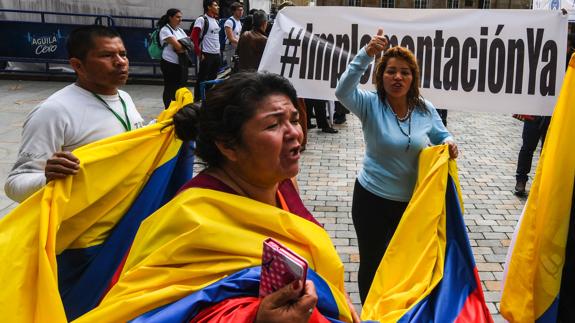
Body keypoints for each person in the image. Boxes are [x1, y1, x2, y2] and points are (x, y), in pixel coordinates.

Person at [75, 72, 360, 322]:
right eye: (273, 125)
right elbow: (158, 312)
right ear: (228, 146)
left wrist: (338, 299)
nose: (294, 134)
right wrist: (255, 319)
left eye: (295, 120)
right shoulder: (189, 216)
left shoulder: (280, 184)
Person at [335, 29, 458, 304]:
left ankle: (397, 311)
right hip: (371, 200)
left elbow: (442, 134)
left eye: (404, 72)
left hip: (411, 205)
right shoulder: (369, 104)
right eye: (390, 71)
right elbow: (343, 90)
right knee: (373, 263)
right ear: (381, 76)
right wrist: (367, 54)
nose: (397, 77)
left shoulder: (425, 108)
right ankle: (370, 314)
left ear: (413, 78)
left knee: (405, 265)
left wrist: (450, 143)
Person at [4, 25, 144, 203]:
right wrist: (46, 179)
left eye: (122, 54)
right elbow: (14, 185)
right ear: (77, 65)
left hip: (127, 218)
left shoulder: (124, 98)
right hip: (84, 227)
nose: (120, 62)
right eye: (106, 55)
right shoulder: (53, 112)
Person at [158, 8, 190, 108]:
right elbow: (179, 47)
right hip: (169, 63)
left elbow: (189, 45)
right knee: (170, 88)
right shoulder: (165, 30)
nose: (180, 19)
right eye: (177, 17)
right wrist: (183, 46)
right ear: (170, 17)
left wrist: (184, 47)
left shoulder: (180, 30)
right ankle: (168, 109)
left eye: (181, 17)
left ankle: (178, 107)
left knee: (180, 87)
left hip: (181, 63)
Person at [190, 0, 221, 101]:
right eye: (215, 5)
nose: (218, 7)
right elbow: (193, 37)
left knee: (212, 78)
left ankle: (207, 97)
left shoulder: (216, 20)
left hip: (216, 54)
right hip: (206, 54)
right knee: (202, 78)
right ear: (208, 7)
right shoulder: (201, 19)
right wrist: (199, 52)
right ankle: (198, 99)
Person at [222, 2, 243, 69]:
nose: (241, 12)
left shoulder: (239, 21)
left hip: (237, 47)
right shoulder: (229, 22)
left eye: (242, 10)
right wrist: (242, 43)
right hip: (230, 47)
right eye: (239, 10)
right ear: (233, 11)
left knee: (237, 67)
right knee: (232, 67)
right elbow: (231, 38)